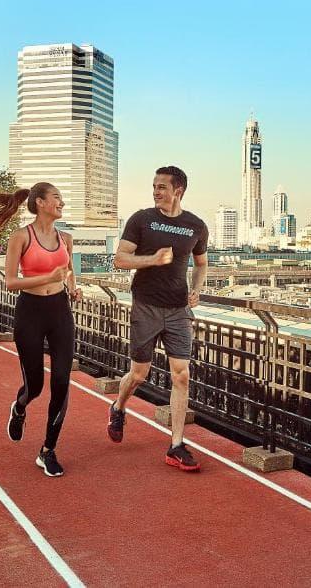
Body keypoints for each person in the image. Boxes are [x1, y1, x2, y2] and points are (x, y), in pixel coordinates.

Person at [0, 183, 82, 477]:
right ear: (41, 203)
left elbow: (68, 272)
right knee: (34, 386)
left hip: (59, 311)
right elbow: (10, 282)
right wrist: (48, 277)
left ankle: (48, 450)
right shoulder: (21, 236)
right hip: (30, 313)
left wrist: (73, 288)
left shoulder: (66, 238)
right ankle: (20, 407)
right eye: (57, 197)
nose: (62, 202)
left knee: (61, 381)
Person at [107, 166, 208, 471]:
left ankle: (176, 446)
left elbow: (201, 263)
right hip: (146, 306)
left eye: (162, 187)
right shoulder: (141, 219)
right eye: (154, 186)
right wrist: (152, 259)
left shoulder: (196, 226)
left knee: (181, 375)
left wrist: (196, 288)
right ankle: (119, 406)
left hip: (178, 310)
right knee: (139, 374)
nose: (156, 192)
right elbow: (120, 259)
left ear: (179, 190)